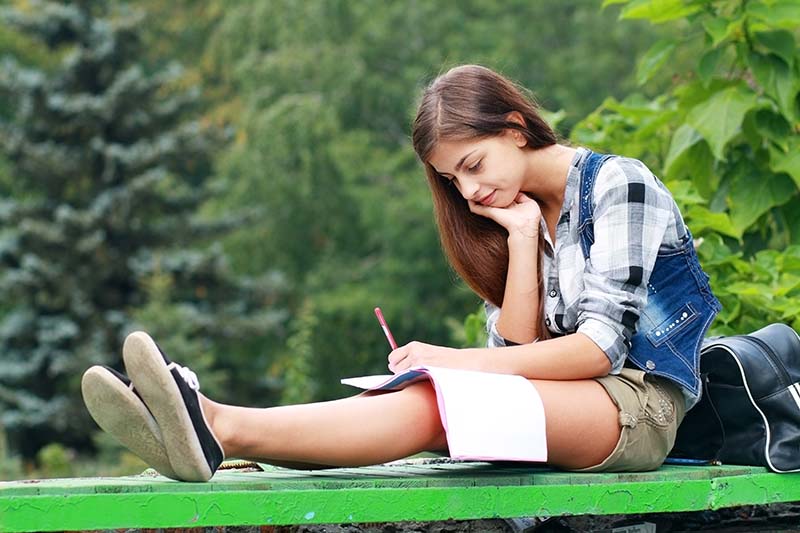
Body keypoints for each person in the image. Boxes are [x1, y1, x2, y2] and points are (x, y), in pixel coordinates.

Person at [81, 64, 720, 482]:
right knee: (413, 403)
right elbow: (516, 355)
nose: (468, 192)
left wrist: (451, 361)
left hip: (638, 407)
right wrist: (524, 240)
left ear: (515, 128)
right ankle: (209, 431)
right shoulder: (518, 217)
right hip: (571, 406)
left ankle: (215, 425)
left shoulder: (619, 183)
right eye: (451, 179)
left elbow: (599, 350)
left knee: (442, 402)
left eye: (473, 165)